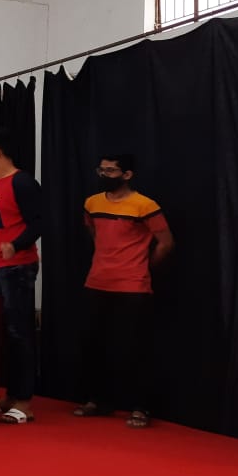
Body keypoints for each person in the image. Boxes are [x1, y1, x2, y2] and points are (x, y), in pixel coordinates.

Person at [74, 153, 174, 428]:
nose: (104, 175)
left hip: (132, 284)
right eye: (101, 170)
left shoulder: (145, 205)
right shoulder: (92, 203)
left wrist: (143, 265)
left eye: (111, 171)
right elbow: (94, 233)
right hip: (97, 281)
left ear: (127, 175)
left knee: (134, 347)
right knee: (94, 344)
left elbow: (166, 242)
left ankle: (141, 406)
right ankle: (98, 400)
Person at [0, 128, 42, 424]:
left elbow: (38, 222)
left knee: (20, 331)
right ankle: (12, 395)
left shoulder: (22, 182)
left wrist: (16, 245)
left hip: (17, 266)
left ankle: (25, 402)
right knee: (3, 333)